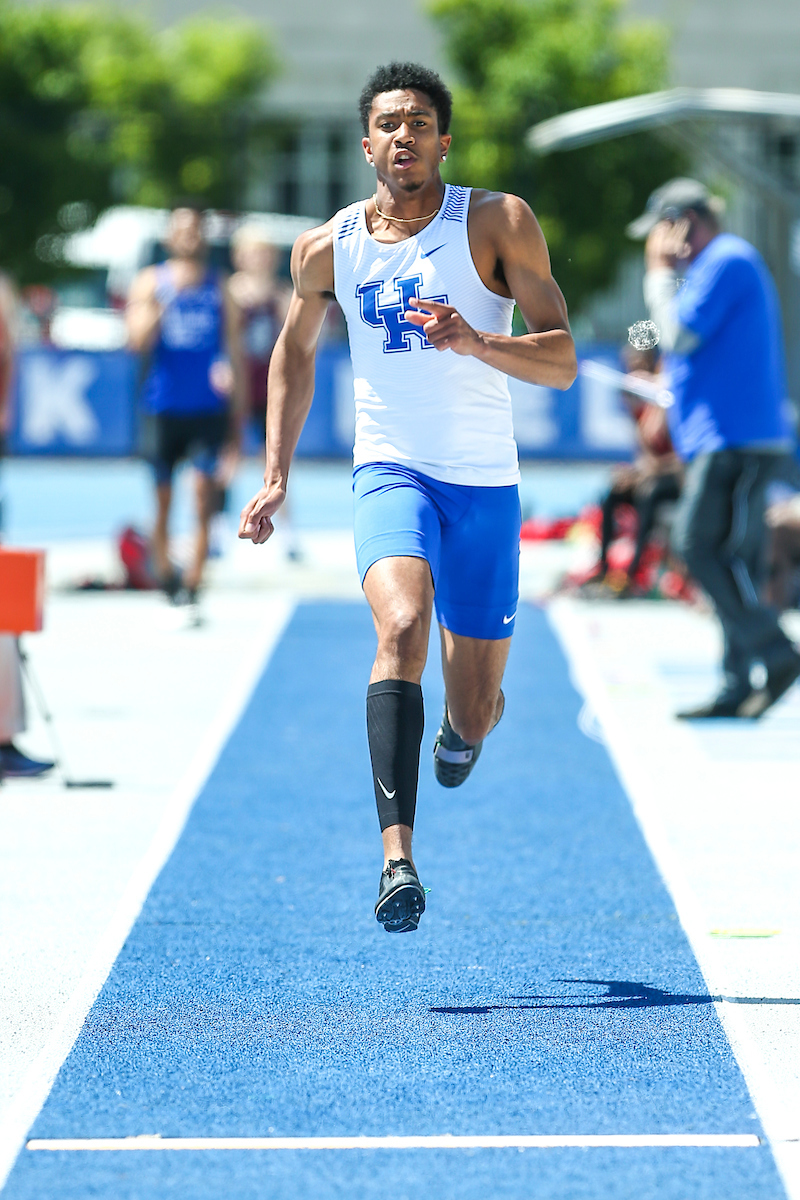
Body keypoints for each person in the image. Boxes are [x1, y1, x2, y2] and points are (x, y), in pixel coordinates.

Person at [238, 62, 576, 931]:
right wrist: (276, 471)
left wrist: (477, 343)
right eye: (389, 123)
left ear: (443, 141)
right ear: (366, 145)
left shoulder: (498, 222)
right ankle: (397, 862)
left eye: (420, 123)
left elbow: (563, 359)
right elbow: (294, 355)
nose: (404, 136)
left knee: (474, 708)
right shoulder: (327, 248)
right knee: (398, 626)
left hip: (484, 484)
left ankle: (462, 734)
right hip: (390, 470)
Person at [631, 177, 800, 718]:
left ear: (682, 222)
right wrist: (658, 381)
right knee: (733, 558)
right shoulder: (706, 271)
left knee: (699, 546)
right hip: (721, 437)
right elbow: (666, 341)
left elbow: (680, 334)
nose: (653, 246)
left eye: (660, 230)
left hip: (737, 440)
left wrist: (657, 275)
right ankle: (735, 681)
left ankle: (776, 655)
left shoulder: (728, 260)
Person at [126, 202, 246, 614]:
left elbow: (234, 350)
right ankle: (165, 572)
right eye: (181, 230)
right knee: (161, 499)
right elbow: (135, 341)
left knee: (202, 494)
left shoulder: (219, 286)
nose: (189, 237)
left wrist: (238, 418)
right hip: (162, 406)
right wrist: (157, 309)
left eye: (195, 230)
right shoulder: (150, 282)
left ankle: (194, 580)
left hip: (207, 409)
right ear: (169, 237)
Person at [592, 346, 682, 595]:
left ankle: (632, 574)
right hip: (654, 474)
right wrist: (633, 473)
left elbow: (686, 460)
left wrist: (648, 472)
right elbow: (646, 458)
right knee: (613, 493)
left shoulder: (672, 402)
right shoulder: (640, 407)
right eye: (631, 366)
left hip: (678, 478)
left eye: (639, 365)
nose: (634, 372)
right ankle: (603, 568)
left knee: (649, 495)